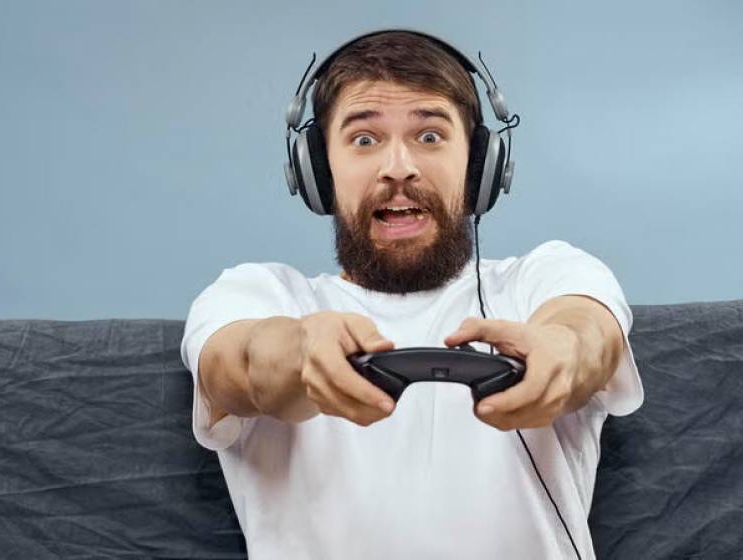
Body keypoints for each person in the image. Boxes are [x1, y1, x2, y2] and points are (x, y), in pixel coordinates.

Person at [181, 29, 644, 560]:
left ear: (479, 165)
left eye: (429, 135)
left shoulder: (546, 275)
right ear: (317, 171)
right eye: (364, 139)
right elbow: (239, 363)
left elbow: (586, 334)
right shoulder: (257, 293)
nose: (398, 167)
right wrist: (300, 351)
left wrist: (563, 353)